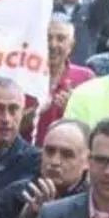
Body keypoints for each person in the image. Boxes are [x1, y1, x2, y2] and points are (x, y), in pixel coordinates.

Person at [36, 17, 97, 145]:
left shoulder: (86, 78)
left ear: (71, 45)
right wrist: (35, 112)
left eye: (61, 39)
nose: (53, 45)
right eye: (48, 38)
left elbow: (94, 128)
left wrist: (72, 109)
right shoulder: (24, 75)